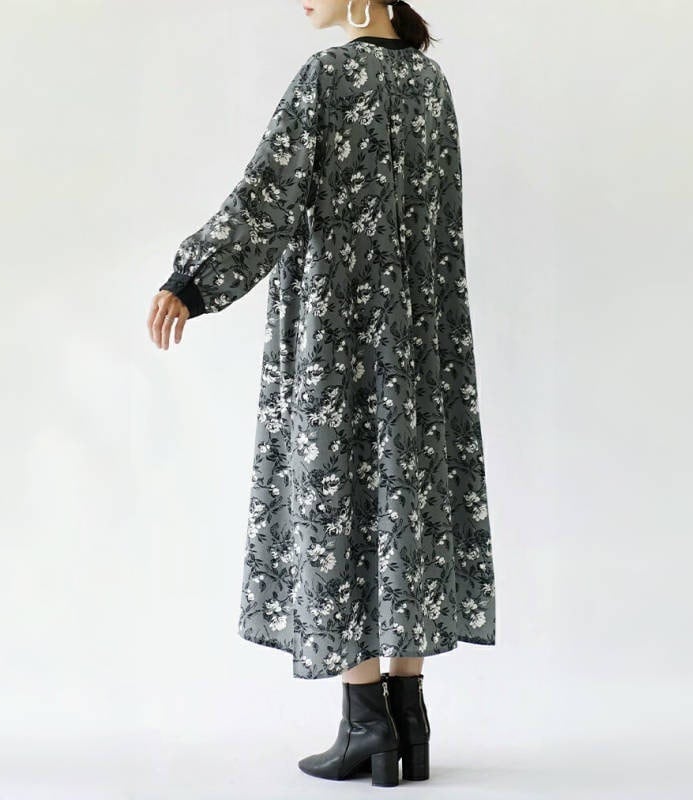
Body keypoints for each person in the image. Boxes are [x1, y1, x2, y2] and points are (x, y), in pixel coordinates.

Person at [146, 0, 495, 786]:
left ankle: (367, 726)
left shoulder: (329, 77)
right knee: (402, 508)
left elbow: (265, 200)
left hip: (339, 340)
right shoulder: (431, 84)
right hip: (418, 347)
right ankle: (408, 721)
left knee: (340, 507)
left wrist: (191, 281)